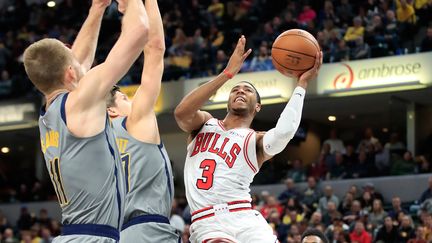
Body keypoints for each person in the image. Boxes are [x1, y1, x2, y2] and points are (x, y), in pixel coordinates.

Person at [22, 0, 149, 242]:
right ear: (70, 73)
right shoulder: (78, 103)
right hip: (93, 237)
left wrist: (97, 8)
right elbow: (140, 31)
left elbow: (74, 63)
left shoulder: (51, 112)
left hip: (75, 234)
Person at [175, 35, 322, 242]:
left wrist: (302, 85)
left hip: (245, 218)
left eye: (248, 90)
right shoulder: (204, 124)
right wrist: (227, 75)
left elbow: (283, 133)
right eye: (235, 89)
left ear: (258, 106)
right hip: (209, 222)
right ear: (228, 102)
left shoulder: (255, 140)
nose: (241, 91)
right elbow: (181, 113)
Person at [106, 0, 179, 242]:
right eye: (124, 98)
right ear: (111, 112)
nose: (131, 101)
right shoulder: (134, 122)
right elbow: (155, 49)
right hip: (147, 230)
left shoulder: (96, 141)